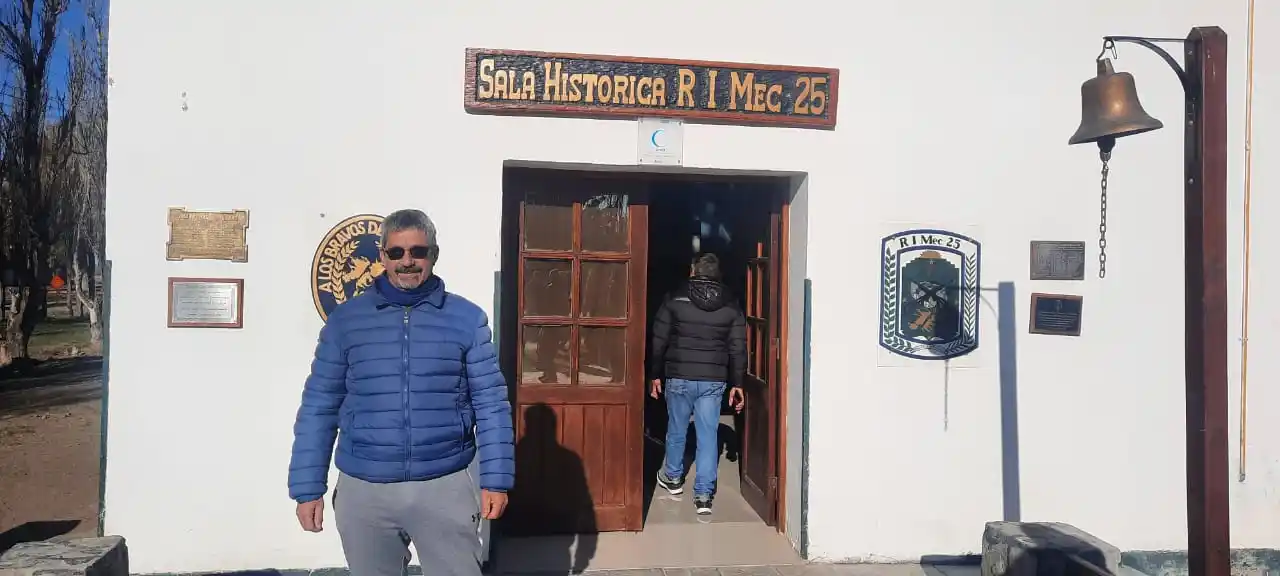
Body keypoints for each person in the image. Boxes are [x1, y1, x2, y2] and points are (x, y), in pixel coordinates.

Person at [288, 209, 515, 576]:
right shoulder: (346, 322)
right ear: (382, 257)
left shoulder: (466, 320)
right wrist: (307, 486)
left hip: (444, 484)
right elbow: (319, 405)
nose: (407, 261)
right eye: (396, 253)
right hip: (365, 490)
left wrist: (496, 479)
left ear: (434, 255)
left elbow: (491, 404)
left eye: (417, 252)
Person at [648, 252, 746, 516]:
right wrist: (737, 382)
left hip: (678, 374)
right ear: (718, 275)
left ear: (693, 271)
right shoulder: (731, 305)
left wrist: (654, 373)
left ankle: (673, 478)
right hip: (713, 380)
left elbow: (659, 339)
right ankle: (703, 494)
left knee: (677, 429)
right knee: (708, 435)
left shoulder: (674, 298)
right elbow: (738, 348)